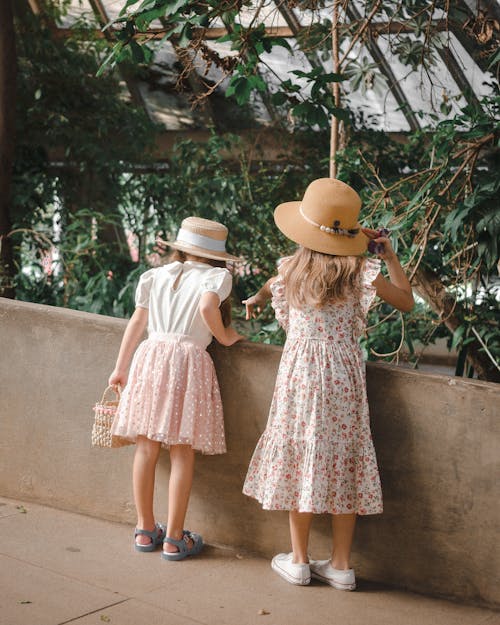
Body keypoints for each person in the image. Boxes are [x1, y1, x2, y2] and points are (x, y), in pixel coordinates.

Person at [242, 178, 414, 588]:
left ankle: (299, 560)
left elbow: (271, 285)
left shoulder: (292, 269)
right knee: (344, 461)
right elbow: (406, 300)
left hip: (299, 375)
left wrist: (257, 299)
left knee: (301, 454)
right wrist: (389, 255)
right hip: (342, 376)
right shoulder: (362, 273)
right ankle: (340, 566)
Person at [109, 216, 244, 561]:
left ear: (182, 248)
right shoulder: (217, 276)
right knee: (182, 450)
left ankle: (144, 530)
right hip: (187, 360)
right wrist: (226, 336)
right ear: (216, 254)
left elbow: (138, 321)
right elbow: (206, 307)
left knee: (145, 447)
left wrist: (120, 368)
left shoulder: (155, 275)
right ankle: (173, 538)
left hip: (151, 356)